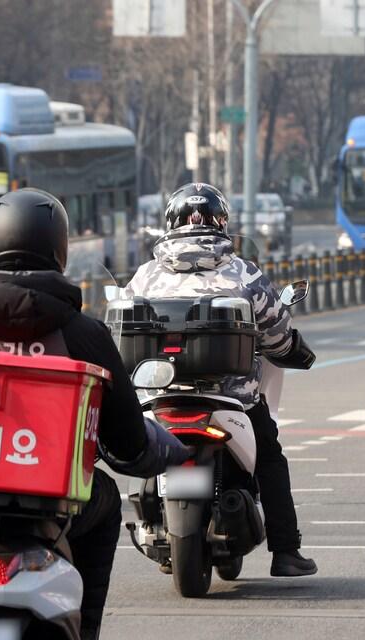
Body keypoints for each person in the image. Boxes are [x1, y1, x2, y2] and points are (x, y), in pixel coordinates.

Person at [0, 187, 189, 640]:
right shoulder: (85, 335)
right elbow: (128, 440)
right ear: (59, 249)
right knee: (105, 499)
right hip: (50, 506)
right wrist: (166, 452)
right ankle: (84, 637)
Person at [126, 182, 319, 577]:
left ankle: (153, 526)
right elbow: (277, 334)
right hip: (233, 399)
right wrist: (289, 349)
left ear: (171, 222)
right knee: (269, 456)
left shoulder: (145, 276)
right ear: (221, 222)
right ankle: (286, 552)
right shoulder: (243, 272)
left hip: (159, 396)